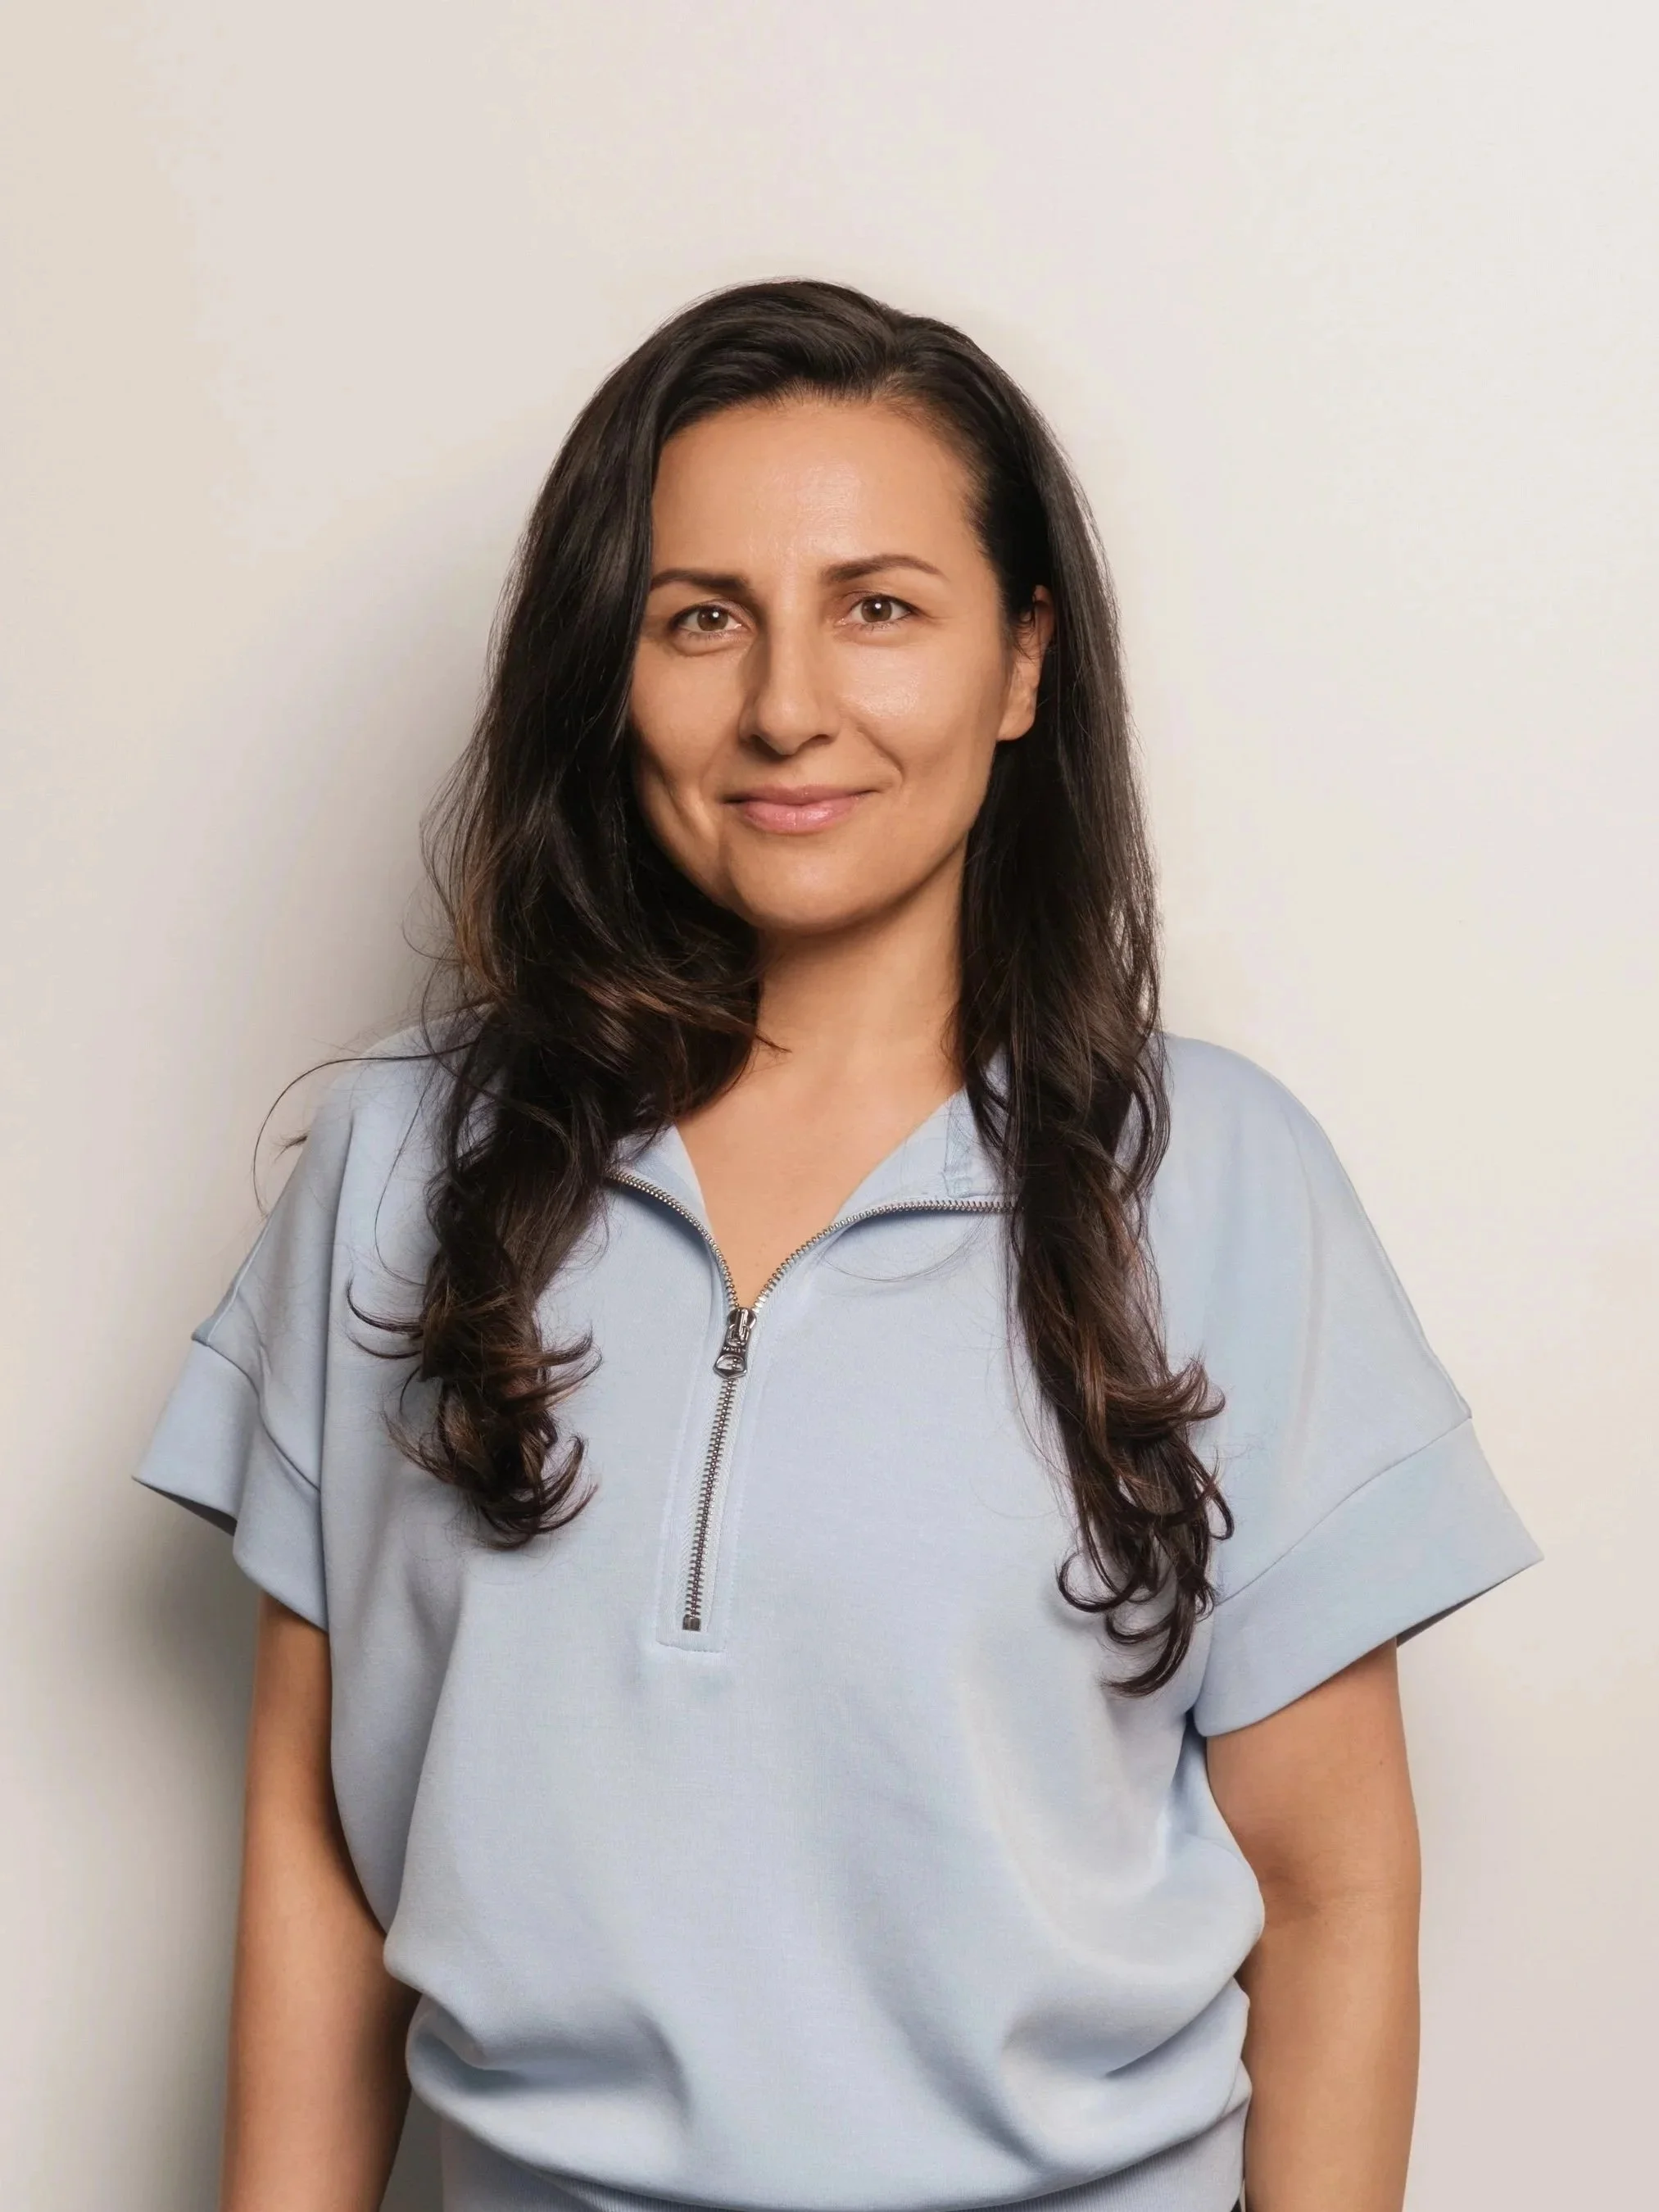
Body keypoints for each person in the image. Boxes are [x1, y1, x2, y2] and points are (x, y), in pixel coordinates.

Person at [136, 279, 1539, 2212]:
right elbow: (313, 1836)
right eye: (698, 616)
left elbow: (1334, 1887)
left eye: (878, 607)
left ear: (1022, 659)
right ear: (602, 668)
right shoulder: (398, 1161)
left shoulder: (1213, 1182)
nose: (785, 701)